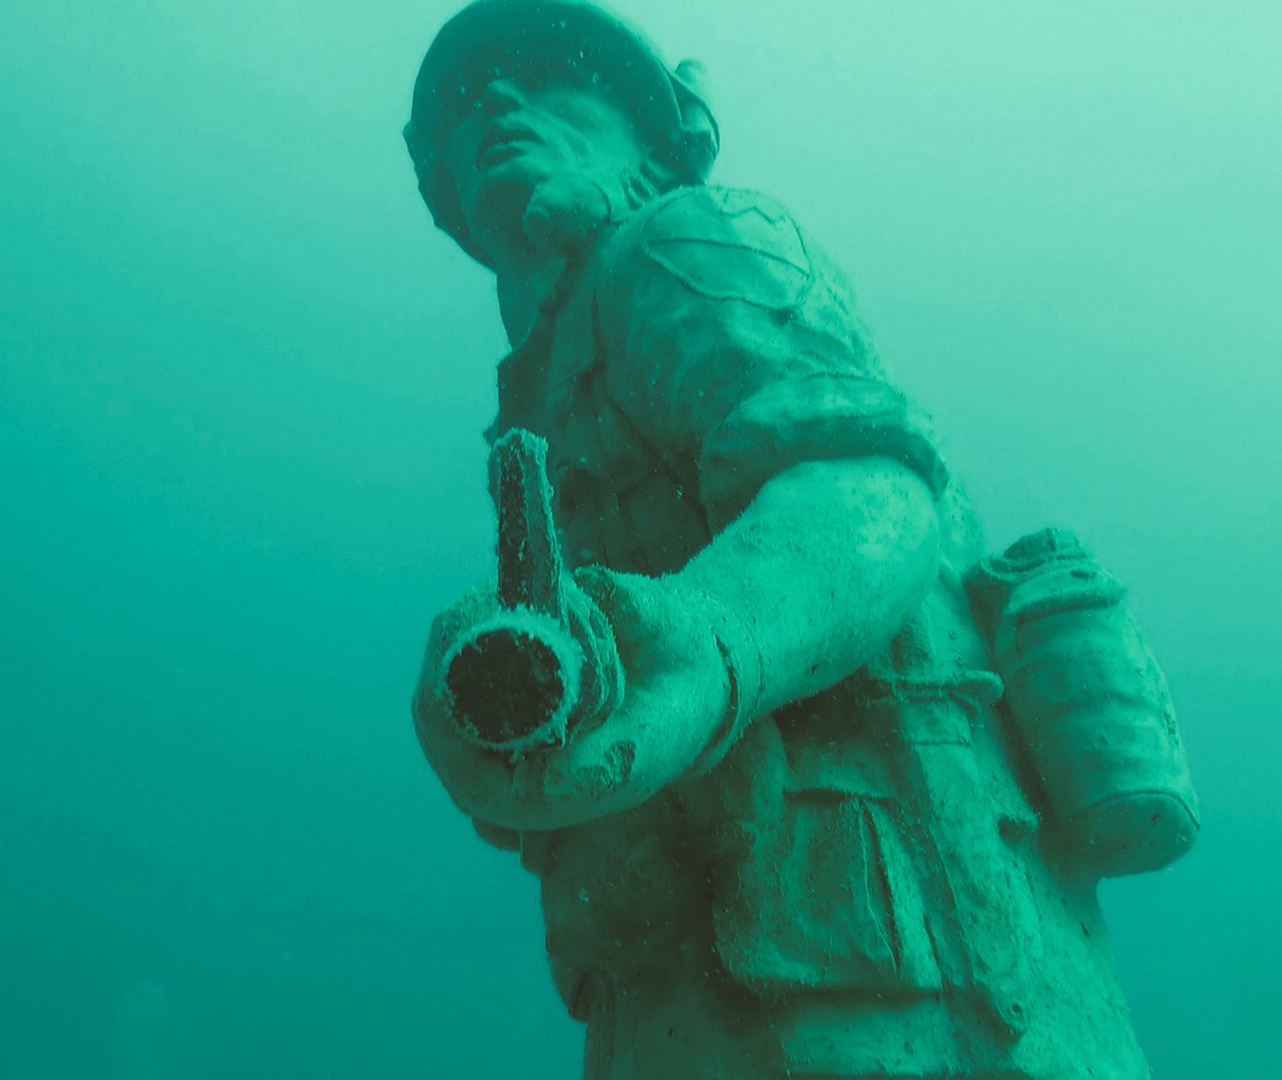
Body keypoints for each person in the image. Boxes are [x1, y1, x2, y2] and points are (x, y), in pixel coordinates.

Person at [405, 3, 1190, 1076]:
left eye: (550, 77)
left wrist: (695, 638)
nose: (492, 103)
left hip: (892, 959)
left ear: (652, 138)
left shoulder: (679, 243)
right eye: (461, 104)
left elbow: (866, 485)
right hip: (698, 966)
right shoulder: (541, 395)